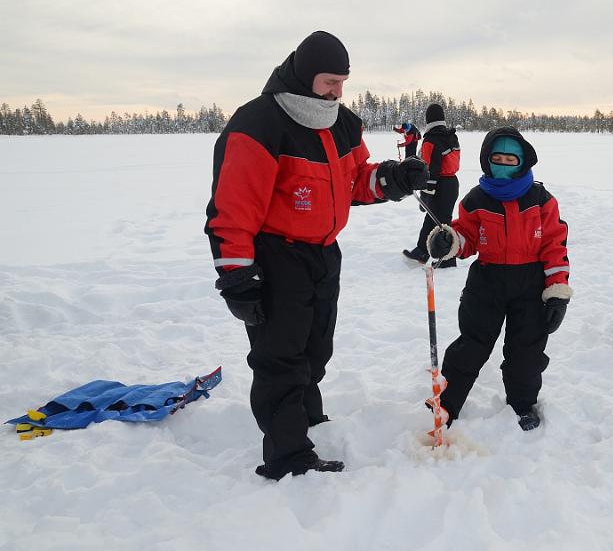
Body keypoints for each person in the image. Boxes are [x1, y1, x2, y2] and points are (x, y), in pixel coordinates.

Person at [204, 31, 429, 480]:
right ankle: (288, 457)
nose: (338, 91)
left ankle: (306, 418)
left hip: (324, 253)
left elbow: (356, 181)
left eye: (343, 82)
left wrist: (394, 178)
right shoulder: (260, 122)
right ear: (307, 75)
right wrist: (236, 274)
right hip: (275, 256)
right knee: (280, 357)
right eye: (330, 81)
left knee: (315, 349)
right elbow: (233, 207)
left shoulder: (342, 121)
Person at [426, 127, 571, 430]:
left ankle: (522, 404)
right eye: (497, 158)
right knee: (472, 345)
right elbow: (466, 237)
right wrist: (448, 241)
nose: (504, 163)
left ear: (523, 161)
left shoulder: (542, 200)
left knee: (526, 352)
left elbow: (554, 246)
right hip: (487, 281)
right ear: (486, 160)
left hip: (530, 283)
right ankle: (447, 403)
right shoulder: (476, 199)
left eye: (510, 158)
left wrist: (556, 291)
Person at [402, 103, 461, 268]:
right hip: (451, 183)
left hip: (439, 184)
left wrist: (426, 194)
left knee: (441, 222)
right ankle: (421, 251)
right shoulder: (451, 136)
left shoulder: (431, 140)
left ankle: (447, 260)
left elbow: (430, 170)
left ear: (428, 120)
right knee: (433, 218)